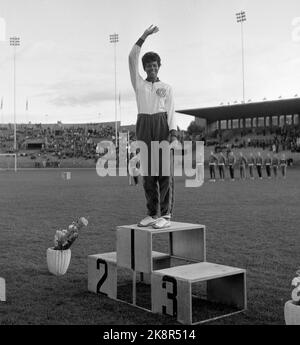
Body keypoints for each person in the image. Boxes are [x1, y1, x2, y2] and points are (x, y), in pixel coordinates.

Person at [129, 25, 178, 229]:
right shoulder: (138, 84)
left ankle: (165, 215)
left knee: (164, 173)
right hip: (143, 127)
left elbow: (171, 112)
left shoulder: (166, 88)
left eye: (155, 65)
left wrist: (173, 135)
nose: (152, 68)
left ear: (159, 66)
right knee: (148, 175)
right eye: (148, 66)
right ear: (144, 68)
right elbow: (131, 58)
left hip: (161, 127)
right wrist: (143, 36)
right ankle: (151, 212)